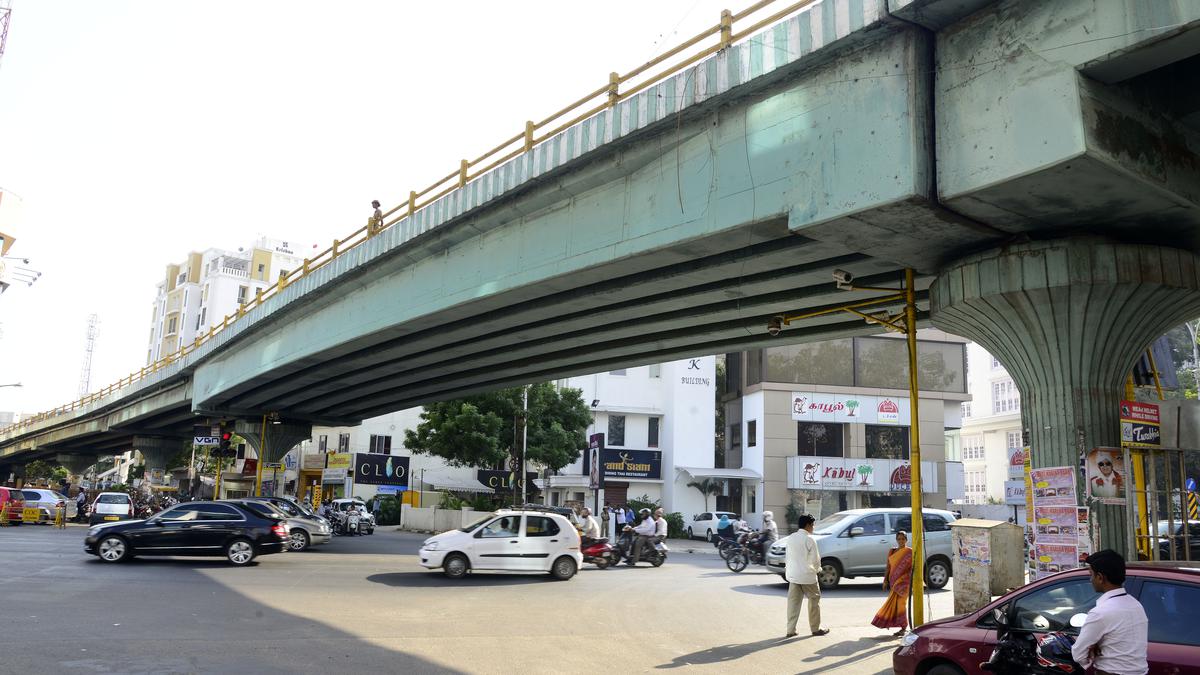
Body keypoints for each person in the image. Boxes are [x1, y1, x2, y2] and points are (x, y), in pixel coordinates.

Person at [1071, 549, 1148, 675]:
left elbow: (1078, 654)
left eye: (1091, 575)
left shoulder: (1100, 613)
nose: (1090, 580)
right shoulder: (1136, 605)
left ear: (1100, 577)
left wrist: (1093, 650)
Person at [784, 514, 829, 637]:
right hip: (807, 576)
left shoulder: (791, 537)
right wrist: (817, 570)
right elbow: (815, 560)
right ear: (808, 525)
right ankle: (815, 628)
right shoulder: (809, 539)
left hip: (793, 575)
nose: (813, 527)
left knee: (793, 603)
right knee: (814, 600)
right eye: (813, 524)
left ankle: (790, 630)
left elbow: (788, 556)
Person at [872, 530, 913, 637]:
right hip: (893, 583)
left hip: (904, 583)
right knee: (893, 605)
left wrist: (904, 578)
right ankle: (897, 625)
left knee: (901, 605)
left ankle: (904, 627)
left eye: (903, 539)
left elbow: (913, 569)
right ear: (896, 539)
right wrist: (885, 580)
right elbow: (888, 567)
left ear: (906, 540)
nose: (901, 541)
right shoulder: (892, 551)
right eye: (899, 539)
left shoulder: (910, 552)